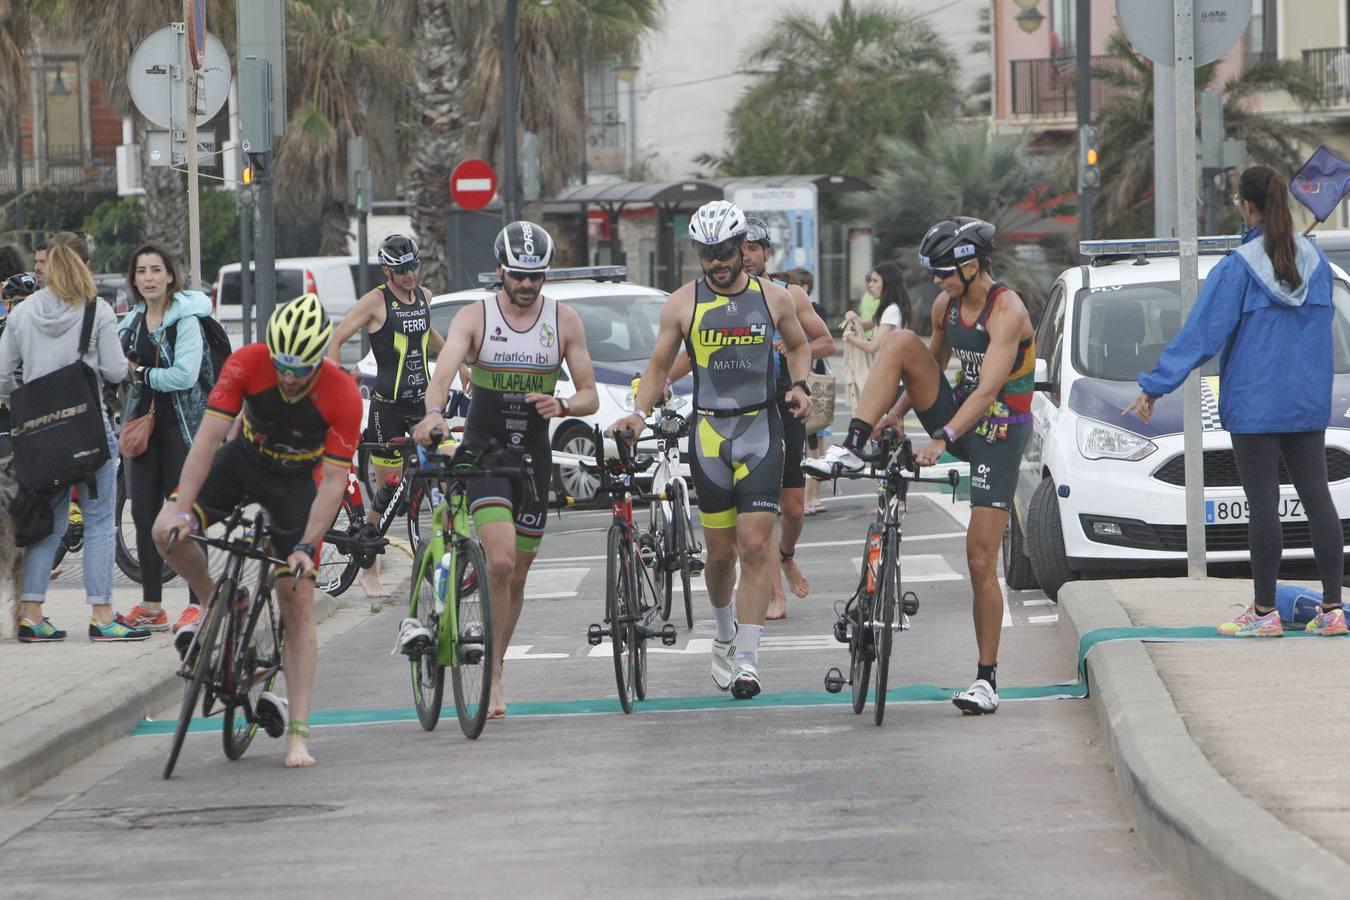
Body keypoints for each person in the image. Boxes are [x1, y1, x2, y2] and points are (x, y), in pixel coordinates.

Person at [805, 217, 1035, 715]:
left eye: (946, 273)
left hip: (996, 432)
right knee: (901, 344)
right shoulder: (945, 307)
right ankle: (851, 443)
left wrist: (941, 439)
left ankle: (985, 680)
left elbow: (988, 390)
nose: (938, 281)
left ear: (972, 266)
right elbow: (924, 368)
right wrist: (893, 413)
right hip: (958, 415)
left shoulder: (1007, 311)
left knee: (979, 560)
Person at [1126, 166, 1346, 638]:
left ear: (1248, 207)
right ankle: (1333, 609)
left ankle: (1265, 613)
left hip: (1255, 405)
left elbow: (1201, 336)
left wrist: (1154, 385)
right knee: (1317, 499)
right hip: (1307, 402)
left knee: (1263, 504)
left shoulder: (1238, 267)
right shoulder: (1318, 266)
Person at [611, 200, 812, 700]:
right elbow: (659, 365)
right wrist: (640, 410)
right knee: (720, 557)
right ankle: (723, 636)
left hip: (761, 429)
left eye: (723, 252)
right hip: (708, 436)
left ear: (742, 247)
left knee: (755, 545)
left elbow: (802, 344)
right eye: (706, 254)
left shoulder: (774, 298)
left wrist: (801, 385)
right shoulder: (682, 303)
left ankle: (747, 658)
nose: (717, 262)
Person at [154, 294, 361, 767]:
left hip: (296, 484)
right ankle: (214, 601)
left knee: (298, 599)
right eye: (282, 365)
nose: (289, 377)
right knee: (164, 533)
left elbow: (333, 483)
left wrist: (308, 546)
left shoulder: (341, 392)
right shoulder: (247, 363)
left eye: (300, 369)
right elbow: (206, 441)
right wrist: (182, 511)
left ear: (319, 361)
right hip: (242, 463)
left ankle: (299, 735)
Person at [412, 221, 598, 719]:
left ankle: (496, 667)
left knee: (517, 575)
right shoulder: (477, 316)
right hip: (486, 452)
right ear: (500, 272)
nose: (527, 285)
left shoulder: (564, 321)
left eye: (536, 276)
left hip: (533, 461)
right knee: (498, 561)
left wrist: (562, 405)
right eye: (518, 275)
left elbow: (590, 394)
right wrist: (433, 414)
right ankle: (488, 670)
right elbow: (446, 367)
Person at [0, 232, 141, 642]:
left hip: (41, 439)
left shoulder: (23, 315)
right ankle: (101, 615)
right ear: (81, 268)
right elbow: (115, 371)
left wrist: (26, 396)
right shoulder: (97, 312)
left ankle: (31, 613)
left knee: (48, 523)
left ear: (46, 272)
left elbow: (2, 375)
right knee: (98, 524)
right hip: (89, 435)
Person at [327, 234, 444, 600]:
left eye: (413, 266)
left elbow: (429, 332)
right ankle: (368, 565)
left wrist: (462, 362)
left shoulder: (424, 296)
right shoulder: (376, 301)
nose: (409, 275)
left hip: (421, 406)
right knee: (387, 488)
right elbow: (337, 336)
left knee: (443, 464)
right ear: (386, 270)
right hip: (387, 409)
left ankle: (446, 544)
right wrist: (337, 377)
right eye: (401, 270)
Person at [738, 217, 834, 620]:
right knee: (764, 501)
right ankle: (774, 592)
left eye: (753, 248)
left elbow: (825, 340)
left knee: (793, 507)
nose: (745, 257)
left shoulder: (787, 293)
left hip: (785, 398)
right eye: (738, 248)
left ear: (766, 253)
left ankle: (786, 556)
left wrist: (792, 346)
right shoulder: (724, 294)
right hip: (744, 405)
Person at [116, 244, 213, 635]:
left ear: (170, 276)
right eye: (142, 271)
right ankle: (152, 604)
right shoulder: (132, 321)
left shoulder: (185, 320)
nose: (150, 278)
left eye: (157, 270)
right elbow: (116, 364)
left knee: (185, 515)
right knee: (141, 515)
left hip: (182, 429)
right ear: (134, 280)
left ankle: (197, 601)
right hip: (143, 430)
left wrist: (144, 375)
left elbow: (185, 375)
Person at [842, 262, 911, 355]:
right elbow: (864, 326)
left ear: (887, 283)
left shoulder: (892, 310)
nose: (870, 285)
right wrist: (852, 317)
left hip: (889, 367)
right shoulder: (888, 308)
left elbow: (872, 346)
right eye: (870, 281)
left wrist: (849, 337)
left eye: (875, 281)